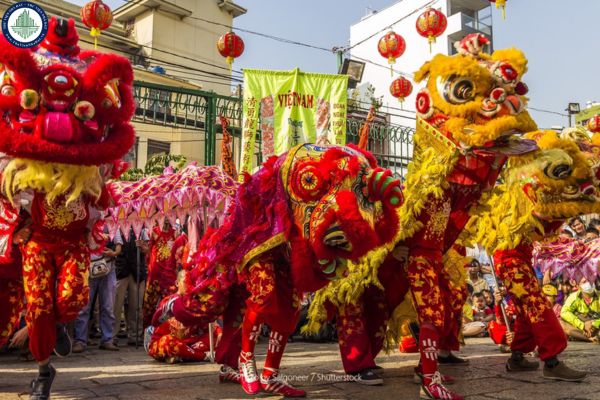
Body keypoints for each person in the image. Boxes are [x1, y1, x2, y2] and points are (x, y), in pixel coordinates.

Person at [73, 233, 122, 353]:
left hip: (108, 268)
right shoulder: (85, 222)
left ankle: (107, 339)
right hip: (87, 269)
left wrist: (114, 253)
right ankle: (80, 340)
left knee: (108, 306)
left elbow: (119, 244)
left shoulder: (112, 222)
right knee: (84, 307)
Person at [113, 230, 147, 346]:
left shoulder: (141, 228)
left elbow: (147, 249)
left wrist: (141, 246)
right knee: (116, 305)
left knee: (136, 305)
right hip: (120, 269)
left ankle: (135, 334)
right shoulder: (116, 227)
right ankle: (112, 336)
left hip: (137, 270)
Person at [560, 277, 600, 343]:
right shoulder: (574, 296)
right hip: (580, 328)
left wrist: (594, 324)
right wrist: (583, 325)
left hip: (596, 327)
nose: (588, 284)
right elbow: (564, 312)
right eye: (584, 282)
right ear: (578, 286)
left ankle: (593, 337)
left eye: (590, 280)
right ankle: (589, 339)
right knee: (560, 324)